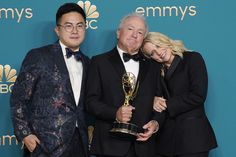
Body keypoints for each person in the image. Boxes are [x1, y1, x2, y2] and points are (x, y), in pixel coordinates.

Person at [10, 3, 89, 157]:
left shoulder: (88, 62)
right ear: (57, 30)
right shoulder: (39, 56)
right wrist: (25, 134)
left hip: (79, 144)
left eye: (79, 26)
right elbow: (18, 99)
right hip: (44, 146)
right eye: (68, 26)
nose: (75, 31)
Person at [85, 13, 164, 157]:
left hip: (144, 147)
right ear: (118, 33)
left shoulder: (153, 66)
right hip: (110, 146)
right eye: (130, 29)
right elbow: (90, 102)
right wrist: (115, 113)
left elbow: (160, 101)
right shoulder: (99, 62)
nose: (135, 35)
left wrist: (156, 123)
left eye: (140, 32)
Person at [142, 32, 217, 157]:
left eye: (158, 46)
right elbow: (153, 97)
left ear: (165, 41)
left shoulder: (192, 58)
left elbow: (198, 95)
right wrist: (153, 100)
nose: (158, 53)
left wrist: (167, 104)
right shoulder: (155, 70)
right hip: (165, 141)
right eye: (152, 53)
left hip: (193, 139)